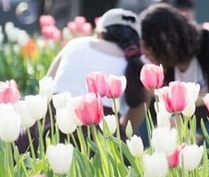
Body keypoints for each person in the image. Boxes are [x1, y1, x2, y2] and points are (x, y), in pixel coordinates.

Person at [18, 8, 147, 152]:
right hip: (99, 140)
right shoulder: (140, 66)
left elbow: (45, 89)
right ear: (138, 41)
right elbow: (130, 126)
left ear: (99, 32)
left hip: (48, 129)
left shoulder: (76, 44)